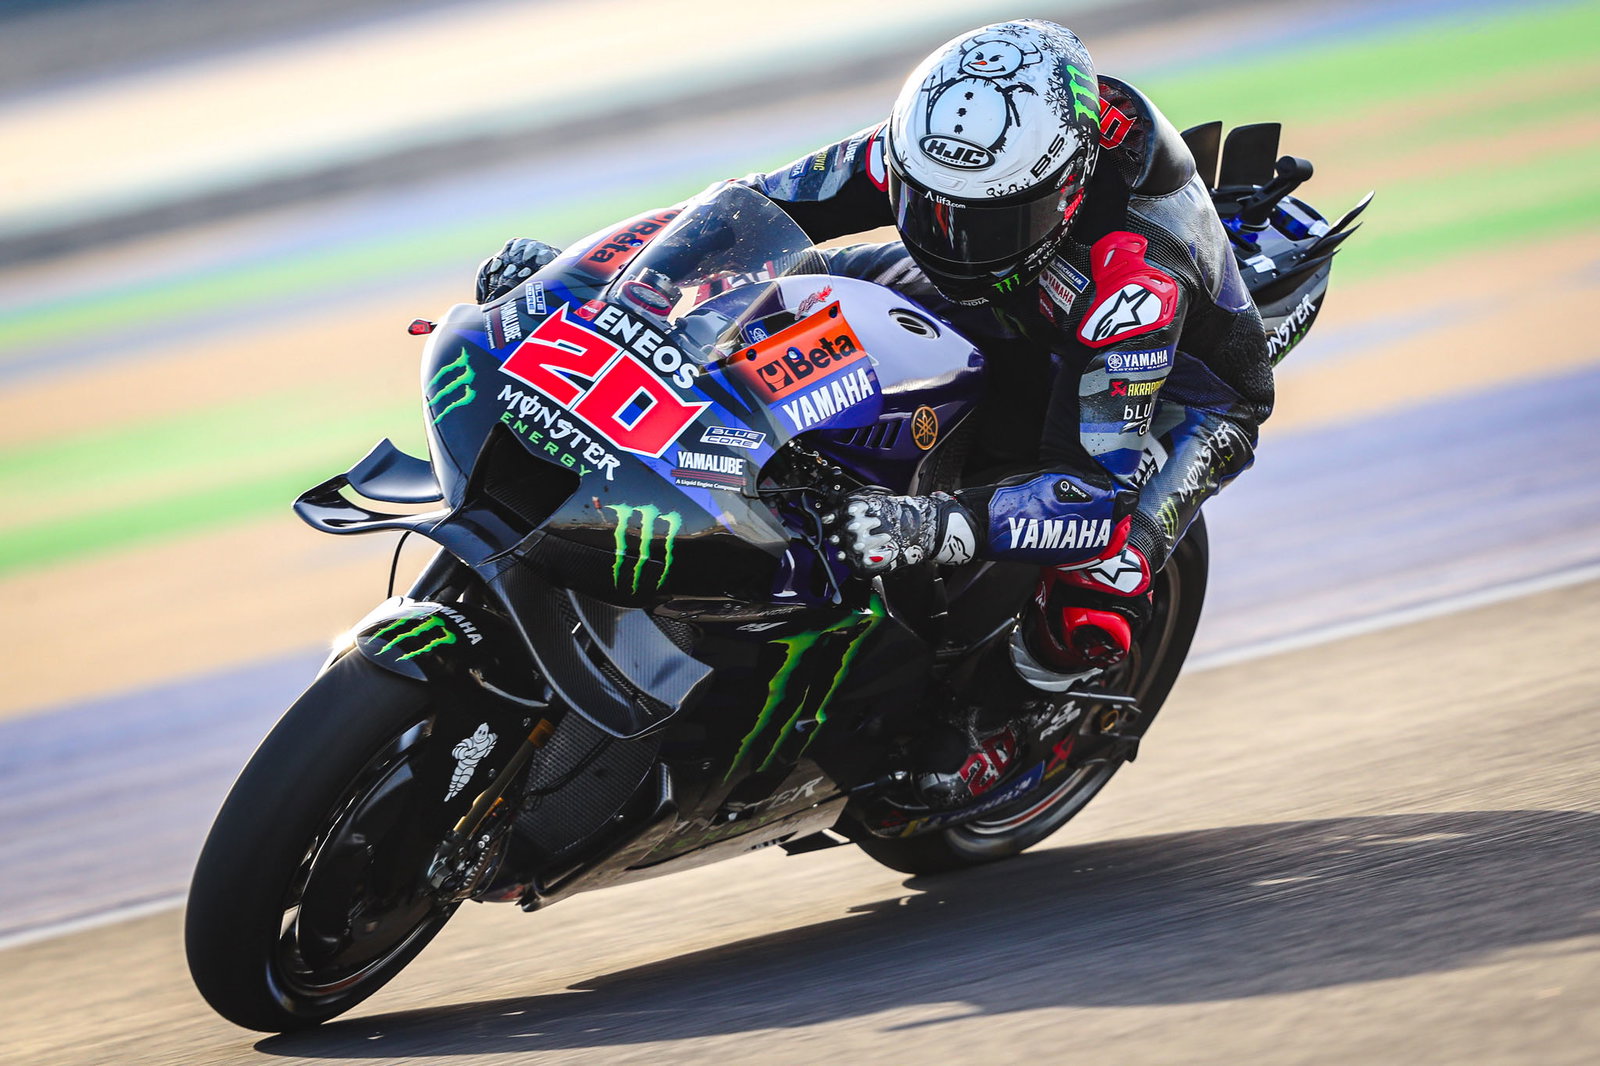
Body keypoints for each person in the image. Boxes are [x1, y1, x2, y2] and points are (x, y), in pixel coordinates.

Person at [476, 20, 1272, 808]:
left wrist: (928, 529)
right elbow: (749, 211)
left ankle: (989, 721)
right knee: (776, 305)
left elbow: (1093, 495)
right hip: (1011, 302)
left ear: (1063, 192)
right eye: (931, 206)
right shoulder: (935, 145)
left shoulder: (1133, 280)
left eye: (986, 221)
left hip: (1166, 386)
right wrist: (591, 289)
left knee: (1107, 570)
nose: (952, 236)